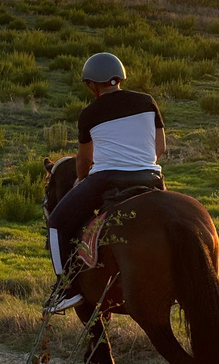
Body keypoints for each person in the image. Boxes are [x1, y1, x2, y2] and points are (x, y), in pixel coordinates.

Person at [46, 53, 166, 313]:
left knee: (56, 223)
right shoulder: (147, 101)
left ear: (91, 84)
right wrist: (139, 164)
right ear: (120, 78)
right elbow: (161, 147)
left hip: (107, 178)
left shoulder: (89, 113)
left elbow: (85, 159)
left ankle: (65, 290)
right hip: (151, 177)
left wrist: (80, 181)